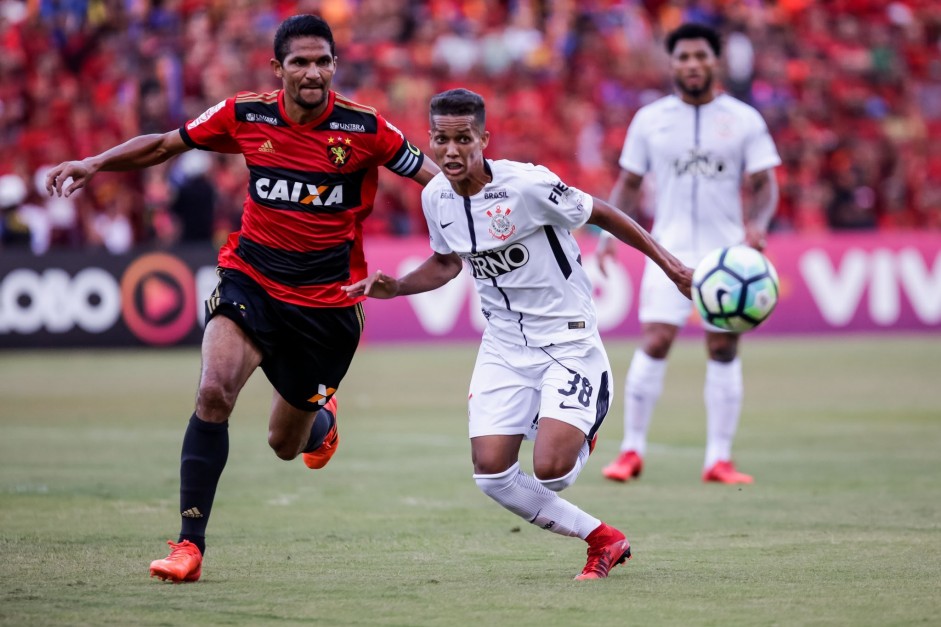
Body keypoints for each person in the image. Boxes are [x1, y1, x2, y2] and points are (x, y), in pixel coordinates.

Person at [45, 14, 439, 583]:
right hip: (250, 278)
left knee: (286, 444)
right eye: (300, 62)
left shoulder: (366, 129)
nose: (313, 72)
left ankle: (321, 423)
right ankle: (188, 545)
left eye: (322, 61)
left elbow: (437, 180)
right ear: (277, 68)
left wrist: (496, 210)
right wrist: (96, 162)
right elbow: (162, 145)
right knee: (213, 390)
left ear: (334, 66)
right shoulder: (244, 114)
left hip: (327, 306)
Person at [344, 88, 692, 580]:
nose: (451, 151)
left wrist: (673, 268)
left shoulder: (528, 187)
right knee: (491, 473)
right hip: (504, 344)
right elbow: (446, 263)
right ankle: (603, 539)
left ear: (484, 139)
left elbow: (605, 215)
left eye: (463, 138)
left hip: (567, 339)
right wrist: (397, 287)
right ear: (431, 140)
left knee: (552, 470)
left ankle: (585, 413)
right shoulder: (434, 196)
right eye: (441, 139)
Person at [597, 23, 781, 485]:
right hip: (667, 248)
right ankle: (630, 451)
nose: (692, 64)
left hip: (727, 254)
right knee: (656, 340)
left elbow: (765, 185)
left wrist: (757, 225)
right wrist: (605, 237)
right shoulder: (650, 118)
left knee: (722, 346)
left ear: (714, 62)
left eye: (701, 56)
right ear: (672, 63)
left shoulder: (744, 119)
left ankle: (718, 458)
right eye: (683, 57)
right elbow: (629, 184)